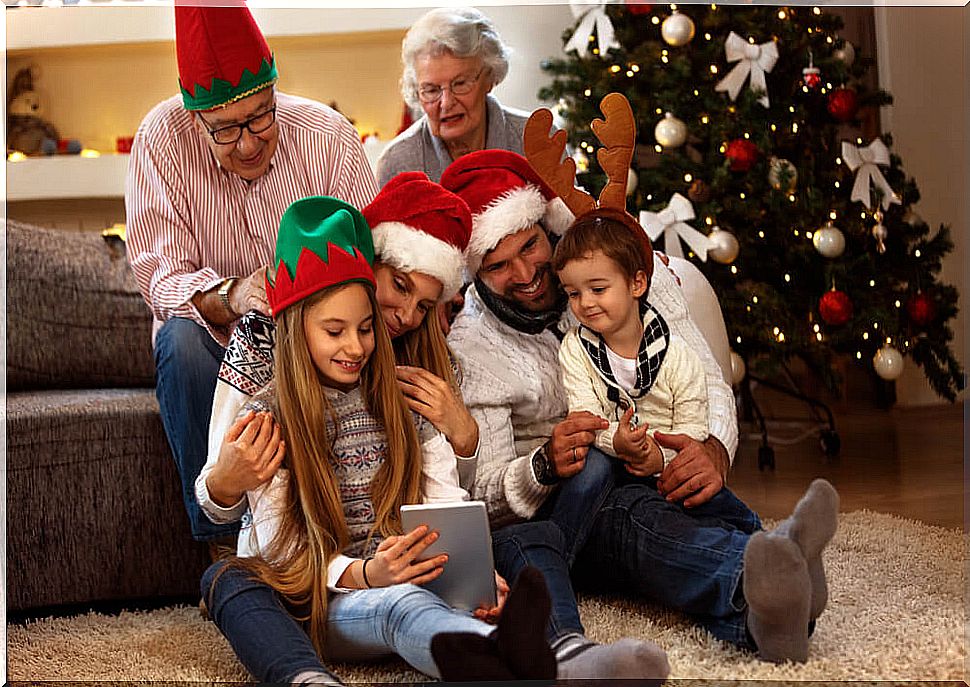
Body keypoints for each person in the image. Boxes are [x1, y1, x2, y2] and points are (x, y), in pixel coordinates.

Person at [200, 177, 669, 682]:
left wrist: (465, 573)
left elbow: (441, 496)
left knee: (435, 591)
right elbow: (266, 533)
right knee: (231, 578)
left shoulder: (406, 387)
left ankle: (549, 657)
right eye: (398, 288)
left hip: (390, 570)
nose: (395, 321)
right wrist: (361, 573)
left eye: (368, 328)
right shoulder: (268, 402)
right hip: (310, 582)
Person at [440, 149, 840, 663]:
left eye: (530, 246)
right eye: (496, 265)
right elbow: (485, 494)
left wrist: (711, 448)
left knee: (659, 504)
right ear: (475, 272)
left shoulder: (628, 265)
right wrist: (541, 467)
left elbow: (707, 379)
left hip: (656, 460)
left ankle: (769, 610)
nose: (524, 273)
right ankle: (759, 567)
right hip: (571, 506)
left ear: (546, 224)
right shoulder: (472, 350)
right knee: (625, 506)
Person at [125, 4, 377, 542]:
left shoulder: (329, 136)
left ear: (274, 87)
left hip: (315, 346)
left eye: (261, 115)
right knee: (180, 340)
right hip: (215, 343)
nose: (247, 142)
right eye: (223, 130)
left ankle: (336, 537)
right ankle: (222, 552)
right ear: (196, 119)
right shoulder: (160, 139)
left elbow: (368, 261)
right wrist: (235, 294)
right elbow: (158, 277)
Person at [375, 6, 530, 187]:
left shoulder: (534, 139)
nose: (446, 103)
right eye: (432, 90)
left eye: (460, 83)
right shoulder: (398, 163)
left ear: (490, 77)